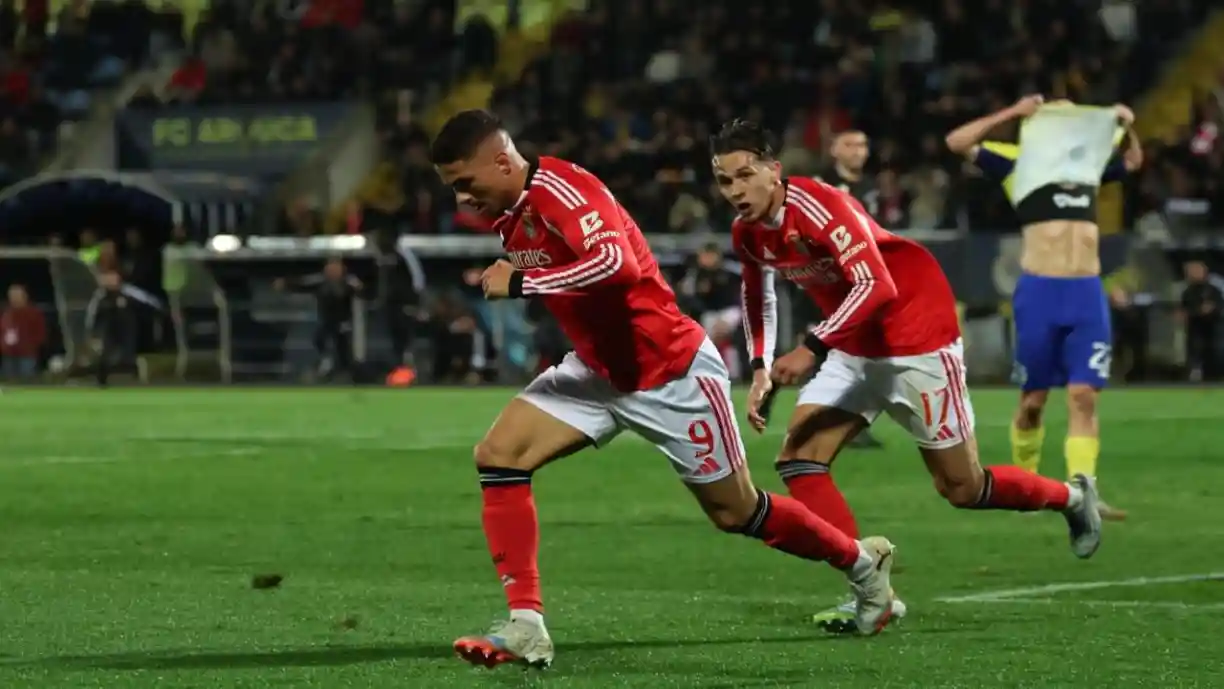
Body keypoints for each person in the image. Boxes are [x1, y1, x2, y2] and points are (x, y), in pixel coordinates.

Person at [430, 109, 899, 669]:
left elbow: (616, 265)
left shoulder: (563, 188)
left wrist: (524, 279)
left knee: (737, 512)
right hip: (599, 374)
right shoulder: (511, 210)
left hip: (671, 373)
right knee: (499, 456)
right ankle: (526, 623)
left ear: (503, 162)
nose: (462, 199)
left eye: (465, 183)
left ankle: (863, 568)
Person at [709, 119, 1103, 634]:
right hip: (853, 341)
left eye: (745, 175)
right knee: (799, 458)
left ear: (773, 170)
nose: (736, 191)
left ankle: (1073, 498)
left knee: (963, 487)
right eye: (724, 181)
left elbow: (878, 286)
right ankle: (871, 591)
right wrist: (760, 364)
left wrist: (811, 347)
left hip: (917, 337)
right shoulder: (749, 233)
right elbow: (757, 293)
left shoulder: (822, 206)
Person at [945, 95, 1142, 521]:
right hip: (1040, 294)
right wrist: (1011, 112)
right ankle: (1027, 486)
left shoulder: (1086, 165)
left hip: (1087, 292)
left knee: (1084, 395)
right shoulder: (1020, 162)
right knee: (1032, 401)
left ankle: (1084, 491)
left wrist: (1125, 125)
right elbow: (957, 142)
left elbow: (1133, 162)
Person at [811, 129, 884, 449]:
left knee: (864, 352)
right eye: (851, 145)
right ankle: (824, 420)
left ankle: (845, 422)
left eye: (863, 144)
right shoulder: (819, 185)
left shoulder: (869, 187)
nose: (859, 151)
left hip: (864, 278)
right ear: (834, 151)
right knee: (838, 351)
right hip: (832, 280)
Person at [274, 257, 363, 381]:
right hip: (327, 319)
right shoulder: (321, 281)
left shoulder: (349, 281)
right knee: (320, 339)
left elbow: (361, 290)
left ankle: (348, 373)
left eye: (336, 267)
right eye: (330, 267)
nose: (332, 270)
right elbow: (303, 283)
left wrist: (359, 288)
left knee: (343, 347)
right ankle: (326, 364)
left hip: (343, 321)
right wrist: (287, 284)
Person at [1179, 260, 1222, 381]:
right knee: (1195, 353)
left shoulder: (1213, 290)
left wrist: (1212, 309)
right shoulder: (1187, 292)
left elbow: (1219, 306)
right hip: (1195, 330)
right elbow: (1185, 309)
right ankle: (1195, 375)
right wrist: (1197, 311)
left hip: (1213, 329)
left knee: (1214, 354)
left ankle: (1215, 378)